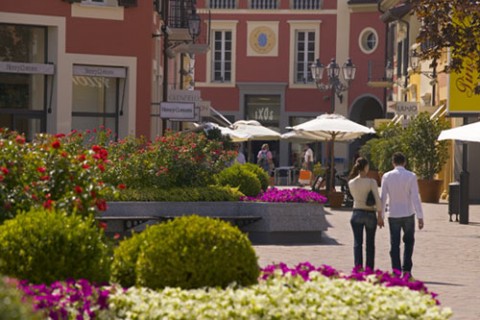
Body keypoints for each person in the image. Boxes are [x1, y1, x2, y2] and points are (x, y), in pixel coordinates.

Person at [381, 152, 424, 277]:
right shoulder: (411, 176)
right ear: (404, 162)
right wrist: (420, 216)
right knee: (409, 242)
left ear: (393, 162)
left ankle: (396, 270)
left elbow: (383, 197)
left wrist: (381, 216)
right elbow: (415, 197)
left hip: (393, 213)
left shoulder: (387, 176)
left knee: (394, 243)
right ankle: (407, 270)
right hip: (408, 213)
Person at [348, 157, 383, 270]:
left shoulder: (351, 182)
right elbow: (377, 199)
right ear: (366, 167)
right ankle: (369, 269)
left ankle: (358, 267)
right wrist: (380, 216)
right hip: (370, 213)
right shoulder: (371, 182)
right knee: (370, 244)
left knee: (357, 243)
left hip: (357, 212)